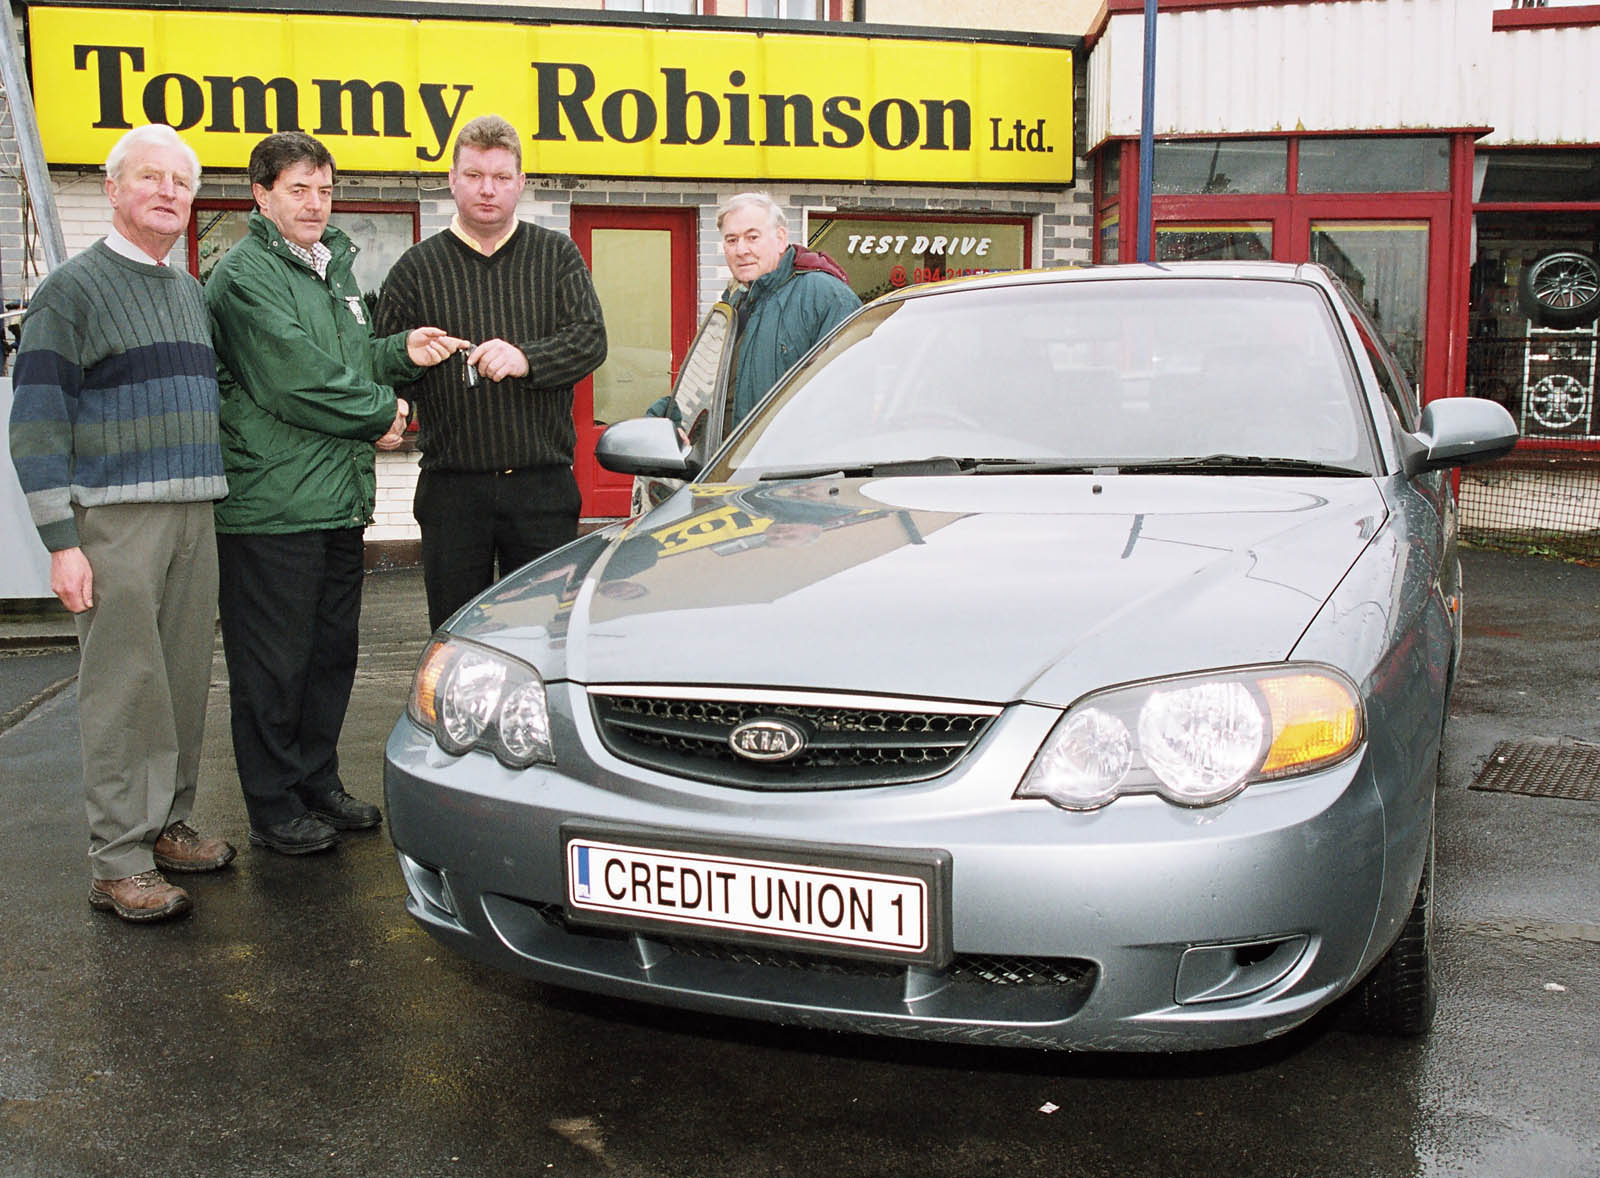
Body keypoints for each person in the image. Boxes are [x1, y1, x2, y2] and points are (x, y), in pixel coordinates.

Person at [205, 132, 465, 856]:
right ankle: (271, 804)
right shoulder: (244, 275)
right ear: (261, 196)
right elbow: (293, 378)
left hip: (334, 499)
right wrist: (386, 411)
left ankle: (315, 782)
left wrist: (398, 352)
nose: (316, 203)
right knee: (273, 666)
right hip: (272, 507)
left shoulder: (331, 271)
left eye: (324, 189)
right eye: (299, 189)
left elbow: (342, 360)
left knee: (327, 657)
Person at [9, 124, 233, 922]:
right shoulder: (69, 292)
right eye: (150, 178)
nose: (169, 193)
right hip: (113, 522)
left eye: (181, 181)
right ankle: (117, 860)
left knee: (177, 683)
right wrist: (61, 542)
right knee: (121, 690)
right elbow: (34, 423)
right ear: (113, 189)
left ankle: (164, 824)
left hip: (192, 513)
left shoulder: (186, 291)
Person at [375, 114, 607, 631]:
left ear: (521, 184)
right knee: (456, 637)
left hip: (541, 489)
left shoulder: (556, 256)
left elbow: (591, 339)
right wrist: (393, 405)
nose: (488, 190)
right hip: (453, 492)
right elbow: (381, 360)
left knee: (545, 638)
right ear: (452, 180)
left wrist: (527, 359)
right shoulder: (416, 268)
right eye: (475, 176)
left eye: (502, 178)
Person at [651, 192, 858, 433]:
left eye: (752, 237)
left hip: (789, 467)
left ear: (781, 238)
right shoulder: (735, 304)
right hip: (729, 466)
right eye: (731, 240)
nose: (741, 250)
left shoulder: (824, 296)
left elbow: (846, 401)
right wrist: (661, 423)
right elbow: (704, 389)